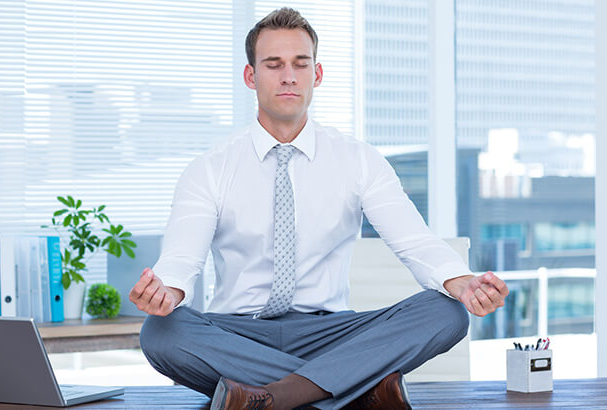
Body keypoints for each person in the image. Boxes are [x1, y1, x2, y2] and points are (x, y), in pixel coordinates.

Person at [130, 7, 508, 410]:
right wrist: (166, 290)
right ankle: (353, 387)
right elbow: (182, 257)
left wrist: (461, 282)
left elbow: (414, 242)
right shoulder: (210, 168)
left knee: (445, 313)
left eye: (300, 64)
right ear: (250, 76)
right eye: (273, 64)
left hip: (331, 332)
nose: (288, 76)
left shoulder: (358, 160)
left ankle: (275, 397)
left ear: (318, 74)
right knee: (161, 332)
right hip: (238, 334)